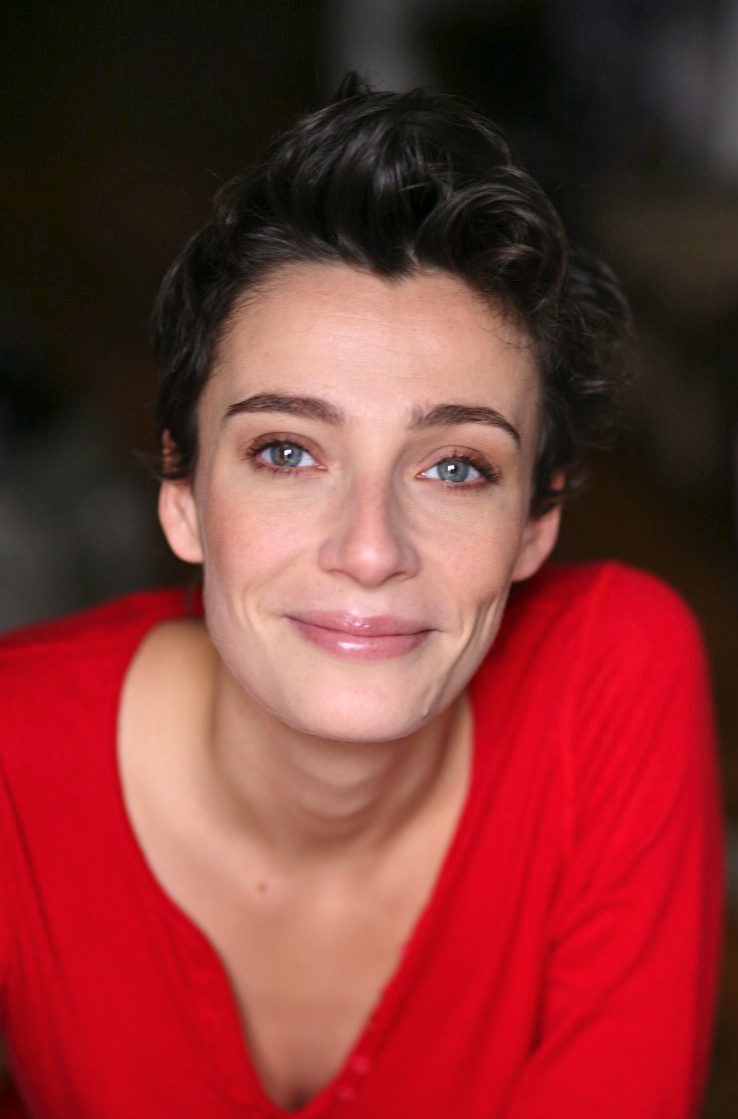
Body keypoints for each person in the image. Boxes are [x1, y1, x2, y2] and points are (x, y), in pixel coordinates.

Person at [0, 76, 723, 1119]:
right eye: (288, 452)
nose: (371, 549)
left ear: (537, 521)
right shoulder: (16, 767)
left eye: (456, 467)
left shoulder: (609, 678)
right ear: (183, 494)